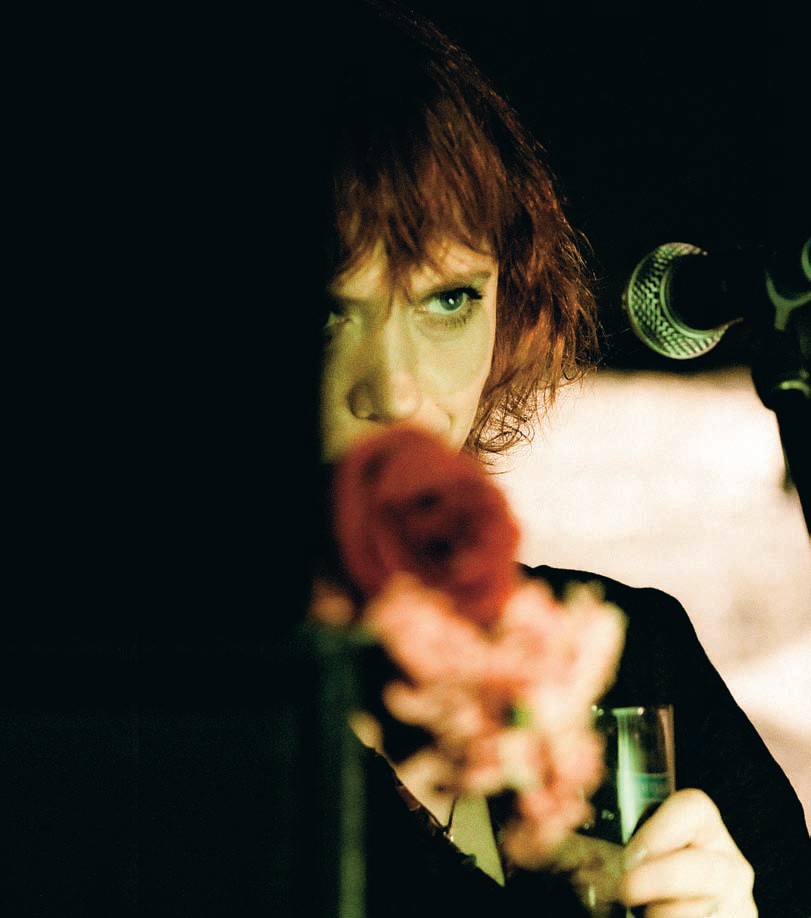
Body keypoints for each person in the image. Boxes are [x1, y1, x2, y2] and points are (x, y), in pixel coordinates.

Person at [316, 1, 811, 916]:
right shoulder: (160, 726)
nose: (394, 390)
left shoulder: (632, 659)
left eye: (448, 299)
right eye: (323, 311)